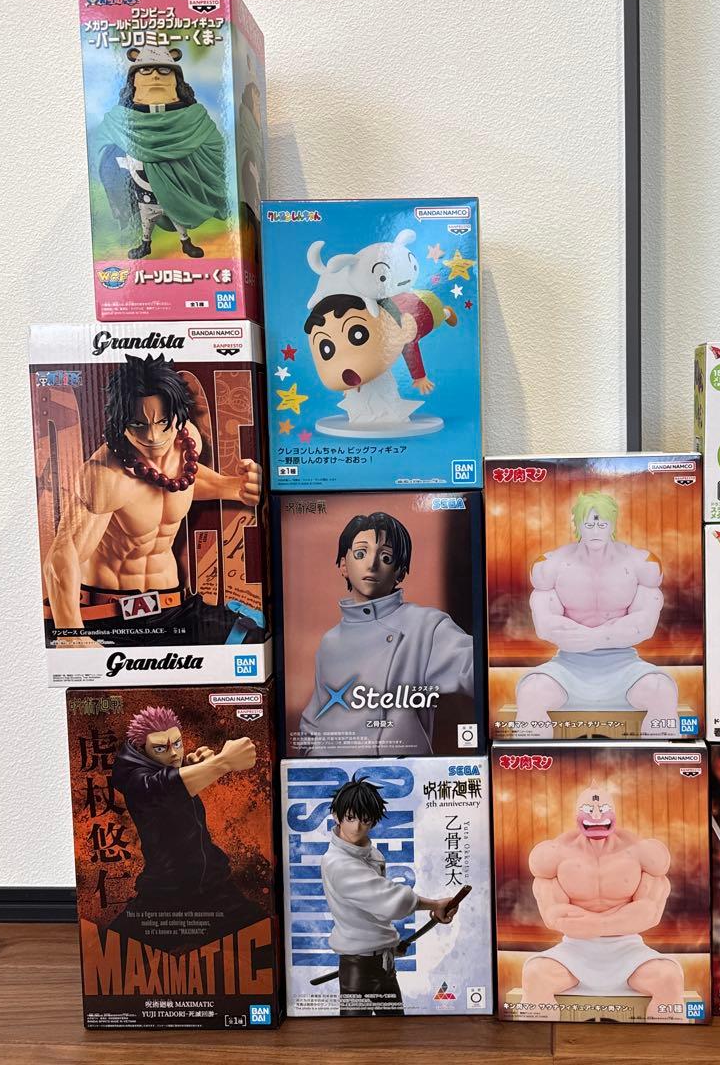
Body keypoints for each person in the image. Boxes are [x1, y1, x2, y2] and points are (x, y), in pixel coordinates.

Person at [42, 353, 263, 648]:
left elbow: (177, 483)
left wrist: (233, 487)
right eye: (138, 424)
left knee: (252, 638)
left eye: (163, 422)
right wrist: (71, 633)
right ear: (120, 422)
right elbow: (62, 555)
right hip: (110, 619)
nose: (154, 436)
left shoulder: (186, 441)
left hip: (173, 607)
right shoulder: (105, 476)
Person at [298, 511, 474, 755]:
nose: (372, 564)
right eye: (360, 554)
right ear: (343, 565)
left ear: (400, 572)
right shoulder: (330, 641)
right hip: (335, 773)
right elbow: (312, 724)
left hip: (404, 774)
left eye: (386, 557)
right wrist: (317, 762)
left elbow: (478, 671)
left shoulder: (426, 626)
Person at [515, 492, 678, 735]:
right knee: (531, 692)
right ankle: (533, 759)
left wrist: (596, 637)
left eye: (602, 524)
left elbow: (644, 623)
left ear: (613, 524)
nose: (595, 531)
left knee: (661, 690)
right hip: (567, 666)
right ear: (577, 524)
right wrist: (603, 634)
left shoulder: (643, 563)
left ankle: (660, 759)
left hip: (625, 666)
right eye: (589, 524)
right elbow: (545, 625)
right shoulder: (549, 564)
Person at [521, 786, 684, 1021]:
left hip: (629, 949)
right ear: (577, 814)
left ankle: (666, 1044)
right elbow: (555, 916)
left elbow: (648, 913)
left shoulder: (642, 853)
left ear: (614, 813)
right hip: (574, 950)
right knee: (535, 974)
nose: (596, 815)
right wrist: (619, 918)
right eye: (589, 808)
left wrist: (592, 923)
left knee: (669, 977)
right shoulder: (554, 855)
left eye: (604, 808)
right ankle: (538, 1045)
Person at [109, 706, 264, 950]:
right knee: (109, 952)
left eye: (177, 744)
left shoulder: (165, 768)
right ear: (141, 750)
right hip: (164, 896)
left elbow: (175, 786)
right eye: (160, 748)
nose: (174, 754)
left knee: (263, 940)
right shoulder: (136, 780)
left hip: (212, 887)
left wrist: (192, 767)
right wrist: (223, 762)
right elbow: (163, 788)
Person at [320, 775, 458, 1016]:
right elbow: (391, 901)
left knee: (396, 1029)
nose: (356, 827)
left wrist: (389, 946)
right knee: (355, 1035)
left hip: (384, 962)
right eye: (350, 818)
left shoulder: (370, 853)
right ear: (336, 816)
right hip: (358, 969)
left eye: (365, 820)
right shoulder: (338, 863)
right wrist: (435, 904)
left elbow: (374, 913)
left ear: (373, 821)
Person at [90, 44, 227, 260]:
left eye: (164, 70)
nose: (155, 76)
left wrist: (187, 162)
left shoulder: (196, 119)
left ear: (176, 81)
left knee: (178, 217)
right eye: (145, 70)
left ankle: (185, 242)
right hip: (142, 192)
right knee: (146, 221)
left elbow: (217, 153)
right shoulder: (118, 121)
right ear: (133, 81)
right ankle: (145, 244)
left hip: (180, 193)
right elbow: (101, 154)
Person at [304, 292, 455, 429]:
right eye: (326, 348)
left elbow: (410, 348)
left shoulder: (398, 331)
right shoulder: (378, 317)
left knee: (438, 316)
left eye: (358, 334)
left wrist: (419, 377)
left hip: (424, 308)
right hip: (398, 303)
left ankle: (447, 313)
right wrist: (350, 384)